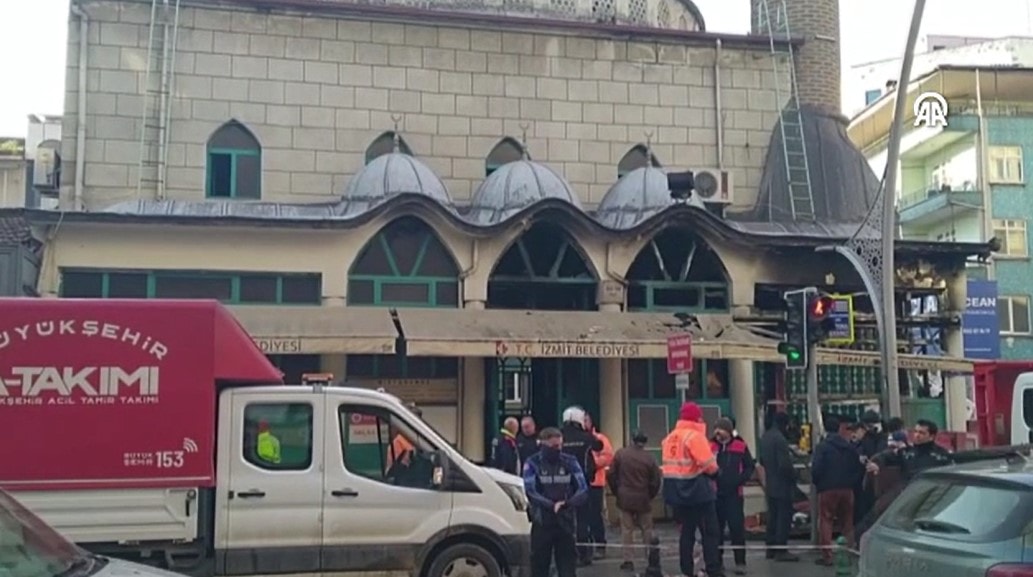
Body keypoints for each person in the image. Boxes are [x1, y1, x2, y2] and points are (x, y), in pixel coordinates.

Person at [660, 402, 723, 577]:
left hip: (676, 492)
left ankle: (686, 569)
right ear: (697, 418)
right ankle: (713, 569)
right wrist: (717, 473)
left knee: (686, 533)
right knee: (710, 532)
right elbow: (709, 465)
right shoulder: (695, 437)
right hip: (697, 492)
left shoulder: (670, 437)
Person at [523, 427, 590, 577]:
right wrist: (551, 505)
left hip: (565, 521)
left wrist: (567, 503)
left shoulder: (569, 461)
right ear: (543, 445)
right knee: (539, 568)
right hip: (542, 521)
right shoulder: (533, 463)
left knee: (568, 569)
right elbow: (530, 491)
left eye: (560, 445)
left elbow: (583, 489)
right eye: (554, 446)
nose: (558, 449)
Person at [810, 416, 864, 566]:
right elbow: (857, 467)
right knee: (847, 522)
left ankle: (827, 556)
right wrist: (851, 483)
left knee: (826, 520)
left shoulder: (822, 447)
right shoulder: (849, 447)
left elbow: (816, 469)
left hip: (827, 489)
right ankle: (847, 553)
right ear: (839, 428)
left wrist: (818, 483)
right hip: (847, 489)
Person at [608, 430, 661, 572]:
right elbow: (656, 481)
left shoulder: (621, 454)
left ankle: (628, 560)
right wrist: (650, 495)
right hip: (643, 498)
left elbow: (611, 474)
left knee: (627, 530)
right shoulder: (650, 458)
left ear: (632, 440)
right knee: (647, 529)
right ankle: (650, 558)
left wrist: (617, 491)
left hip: (624, 498)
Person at [710, 417, 755, 576]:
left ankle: (740, 562)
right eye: (716, 430)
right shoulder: (711, 446)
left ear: (728, 431)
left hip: (735, 494)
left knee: (737, 529)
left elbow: (749, 466)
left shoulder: (740, 445)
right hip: (716, 494)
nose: (717, 433)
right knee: (717, 530)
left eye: (721, 430)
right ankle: (717, 562)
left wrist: (740, 479)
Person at [559, 406, 603, 566]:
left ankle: (564, 552)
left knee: (564, 519)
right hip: (582, 483)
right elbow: (599, 446)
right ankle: (583, 553)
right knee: (583, 519)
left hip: (561, 483)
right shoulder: (586, 437)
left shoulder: (559, 436)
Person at [758, 412, 798, 562]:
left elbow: (763, 460)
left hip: (770, 483)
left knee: (772, 517)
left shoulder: (766, 437)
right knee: (783, 518)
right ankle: (781, 549)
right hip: (783, 485)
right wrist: (794, 475)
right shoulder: (780, 439)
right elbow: (784, 464)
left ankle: (771, 548)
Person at [583, 413, 614, 559]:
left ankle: (600, 545)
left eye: (586, 420)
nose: (584, 423)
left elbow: (608, 457)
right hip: (580, 483)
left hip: (595, 482)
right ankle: (585, 546)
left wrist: (591, 464)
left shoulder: (600, 439)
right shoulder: (579, 440)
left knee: (595, 515)